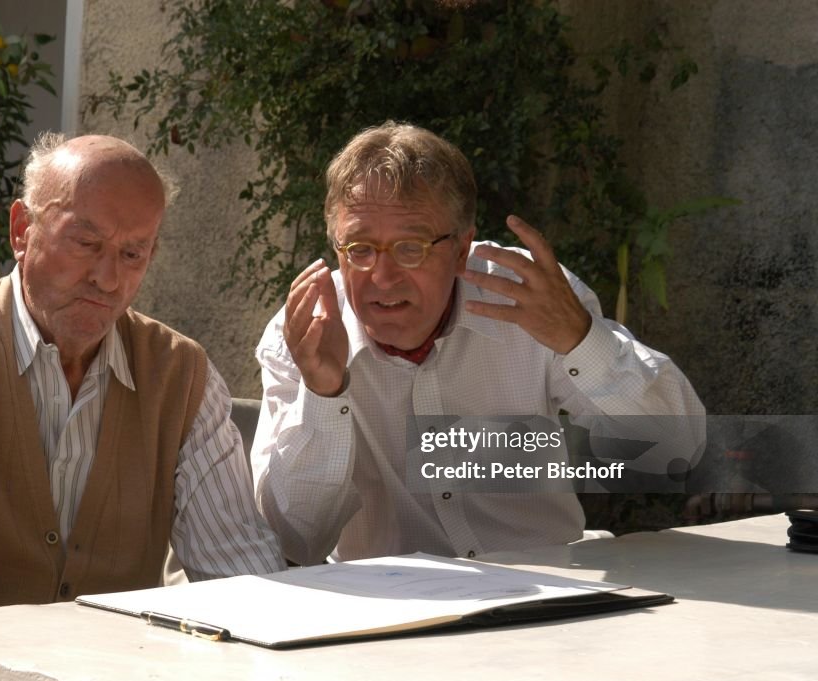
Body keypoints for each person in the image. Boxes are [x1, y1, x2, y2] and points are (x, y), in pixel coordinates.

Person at [0, 133, 284, 681]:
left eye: (133, 254)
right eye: (86, 243)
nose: (108, 279)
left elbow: (237, 571)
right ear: (21, 230)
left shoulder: (179, 373)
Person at [251, 121, 706, 566]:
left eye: (411, 248)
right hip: (392, 620)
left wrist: (579, 339)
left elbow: (677, 447)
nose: (382, 278)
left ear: (462, 249)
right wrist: (324, 393)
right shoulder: (306, 332)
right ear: (336, 249)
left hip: (549, 600)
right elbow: (294, 540)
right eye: (360, 249)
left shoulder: (531, 295)